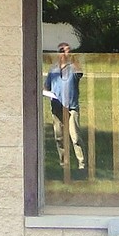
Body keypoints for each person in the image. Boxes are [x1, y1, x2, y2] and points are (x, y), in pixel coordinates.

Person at [43, 42, 85, 171]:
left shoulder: (73, 67)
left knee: (75, 137)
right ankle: (63, 164)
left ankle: (82, 164)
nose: (64, 52)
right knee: (59, 137)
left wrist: (71, 58)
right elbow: (46, 87)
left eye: (67, 50)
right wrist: (47, 93)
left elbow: (80, 73)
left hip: (71, 108)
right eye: (61, 50)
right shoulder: (53, 69)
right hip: (57, 108)